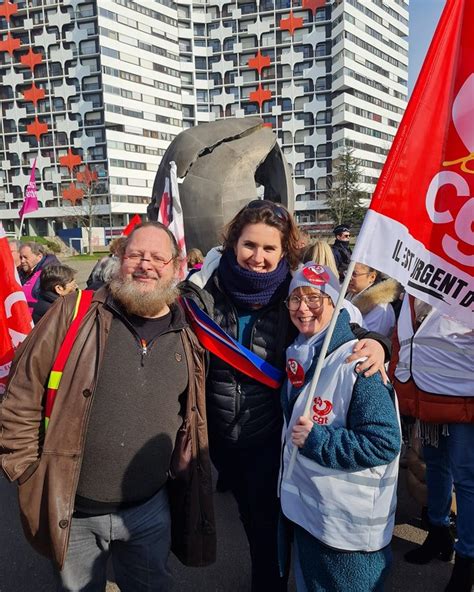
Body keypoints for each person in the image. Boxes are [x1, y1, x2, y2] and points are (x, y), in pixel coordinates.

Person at [181, 200, 391, 591]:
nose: (258, 257)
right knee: (252, 524)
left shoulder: (293, 293)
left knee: (272, 529)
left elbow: (338, 323)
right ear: (233, 244)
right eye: (249, 245)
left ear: (284, 251)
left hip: (272, 438)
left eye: (269, 248)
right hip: (225, 442)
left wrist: (378, 343)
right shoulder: (202, 292)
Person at [0, 222, 215, 591]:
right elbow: (22, 393)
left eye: (157, 257)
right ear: (119, 259)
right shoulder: (75, 312)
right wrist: (25, 471)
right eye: (135, 255)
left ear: (176, 267)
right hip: (73, 511)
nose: (145, 264)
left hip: (150, 509)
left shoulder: (190, 332)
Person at [280, 263, 401, 592]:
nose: (303, 308)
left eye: (315, 298)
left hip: (347, 534)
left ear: (335, 303)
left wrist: (317, 440)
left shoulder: (359, 361)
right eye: (295, 299)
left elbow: (384, 442)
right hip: (312, 518)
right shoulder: (301, 353)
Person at [390, 296, 474, 592]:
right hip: (428, 388)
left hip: (464, 394)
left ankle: (467, 559)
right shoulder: (419, 278)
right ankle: (438, 532)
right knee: (435, 465)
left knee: (466, 479)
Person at [347, 262, 401, 337]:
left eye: (354, 274)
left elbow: (368, 337)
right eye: (347, 271)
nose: (348, 277)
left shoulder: (380, 307)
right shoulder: (345, 293)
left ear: (372, 277)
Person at [19, 241, 60, 311]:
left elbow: (56, 302)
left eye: (25, 257)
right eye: (21, 257)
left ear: (39, 256)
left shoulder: (50, 274)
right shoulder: (22, 272)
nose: (22, 261)